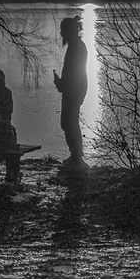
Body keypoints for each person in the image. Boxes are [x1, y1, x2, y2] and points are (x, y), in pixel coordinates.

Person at [52, 15, 88, 169]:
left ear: (69, 31)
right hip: (74, 89)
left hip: (74, 90)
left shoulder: (77, 47)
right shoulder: (76, 46)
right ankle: (75, 156)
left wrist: (61, 83)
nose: (61, 34)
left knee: (69, 122)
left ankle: (77, 158)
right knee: (68, 122)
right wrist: (61, 83)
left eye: (62, 31)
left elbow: (74, 73)